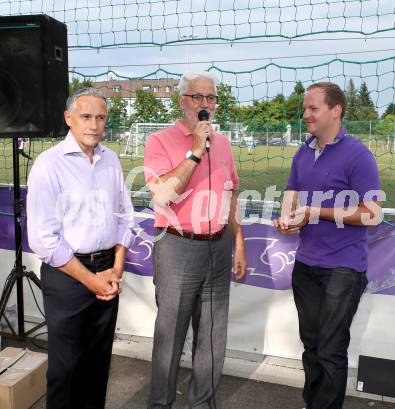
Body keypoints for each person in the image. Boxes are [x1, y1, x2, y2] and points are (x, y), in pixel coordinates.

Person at [274, 82, 383, 409]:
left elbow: (373, 214)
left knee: (331, 348)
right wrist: (288, 220)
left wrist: (315, 212)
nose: (305, 114)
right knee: (312, 346)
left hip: (343, 269)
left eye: (313, 108)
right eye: (305, 108)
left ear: (335, 111)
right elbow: (291, 204)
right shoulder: (302, 152)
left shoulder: (358, 155)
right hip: (306, 266)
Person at [144, 71, 247, 409]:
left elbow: (231, 192)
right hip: (177, 246)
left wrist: (239, 240)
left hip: (219, 247)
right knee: (170, 336)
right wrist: (194, 152)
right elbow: (162, 196)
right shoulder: (159, 141)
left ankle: (201, 404)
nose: (205, 104)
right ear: (182, 101)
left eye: (211, 98)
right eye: (197, 97)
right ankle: (160, 404)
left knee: (213, 337)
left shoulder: (225, 144)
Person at [26, 88, 135, 409]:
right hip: (68, 276)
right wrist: (91, 280)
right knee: (66, 368)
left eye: (100, 118)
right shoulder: (49, 165)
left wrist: (117, 267)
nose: (94, 125)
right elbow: (44, 239)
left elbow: (125, 216)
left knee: (97, 364)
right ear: (68, 118)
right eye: (86, 116)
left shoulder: (111, 159)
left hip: (107, 271)